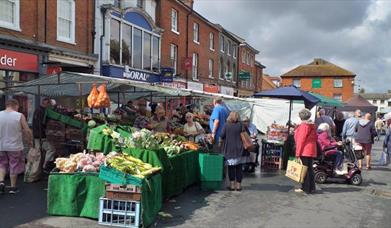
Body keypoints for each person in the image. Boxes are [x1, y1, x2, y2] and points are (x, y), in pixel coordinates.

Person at [0, 99, 33, 194]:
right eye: (18, 106)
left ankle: (1, 182)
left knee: (2, 164)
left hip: (1, 146)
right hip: (15, 146)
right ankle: (13, 187)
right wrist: (29, 141)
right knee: (14, 165)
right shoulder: (19, 115)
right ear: (15, 105)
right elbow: (27, 130)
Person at [221, 112, 246, 191]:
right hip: (240, 149)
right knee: (239, 168)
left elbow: (222, 135)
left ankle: (232, 185)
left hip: (229, 149)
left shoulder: (226, 125)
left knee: (231, 168)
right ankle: (238, 186)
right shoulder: (241, 125)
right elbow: (246, 134)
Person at [294, 108, 317, 194]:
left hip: (304, 149)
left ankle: (305, 188)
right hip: (311, 149)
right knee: (309, 169)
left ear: (301, 116)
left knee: (304, 169)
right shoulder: (312, 125)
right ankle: (311, 187)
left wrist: (297, 153)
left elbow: (300, 140)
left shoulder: (304, 126)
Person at [32, 97, 56, 173]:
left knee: (39, 151)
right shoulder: (41, 111)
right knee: (51, 149)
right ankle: (45, 166)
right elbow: (40, 124)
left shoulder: (38, 110)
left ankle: (37, 169)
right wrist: (44, 132)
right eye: (48, 104)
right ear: (46, 103)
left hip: (37, 134)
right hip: (41, 135)